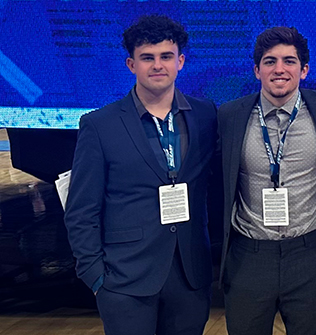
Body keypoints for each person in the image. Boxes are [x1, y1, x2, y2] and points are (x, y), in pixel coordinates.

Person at [63, 14, 216, 335]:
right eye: (147, 57)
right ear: (131, 64)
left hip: (190, 276)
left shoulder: (205, 115)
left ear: (181, 62)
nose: (157, 65)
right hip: (124, 280)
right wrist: (95, 275)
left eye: (166, 57)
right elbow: (81, 210)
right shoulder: (99, 125)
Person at [216, 26, 316, 335]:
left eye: (289, 61)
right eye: (270, 61)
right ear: (257, 70)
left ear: (304, 70)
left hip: (311, 255)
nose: (279, 69)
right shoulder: (230, 116)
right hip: (248, 258)